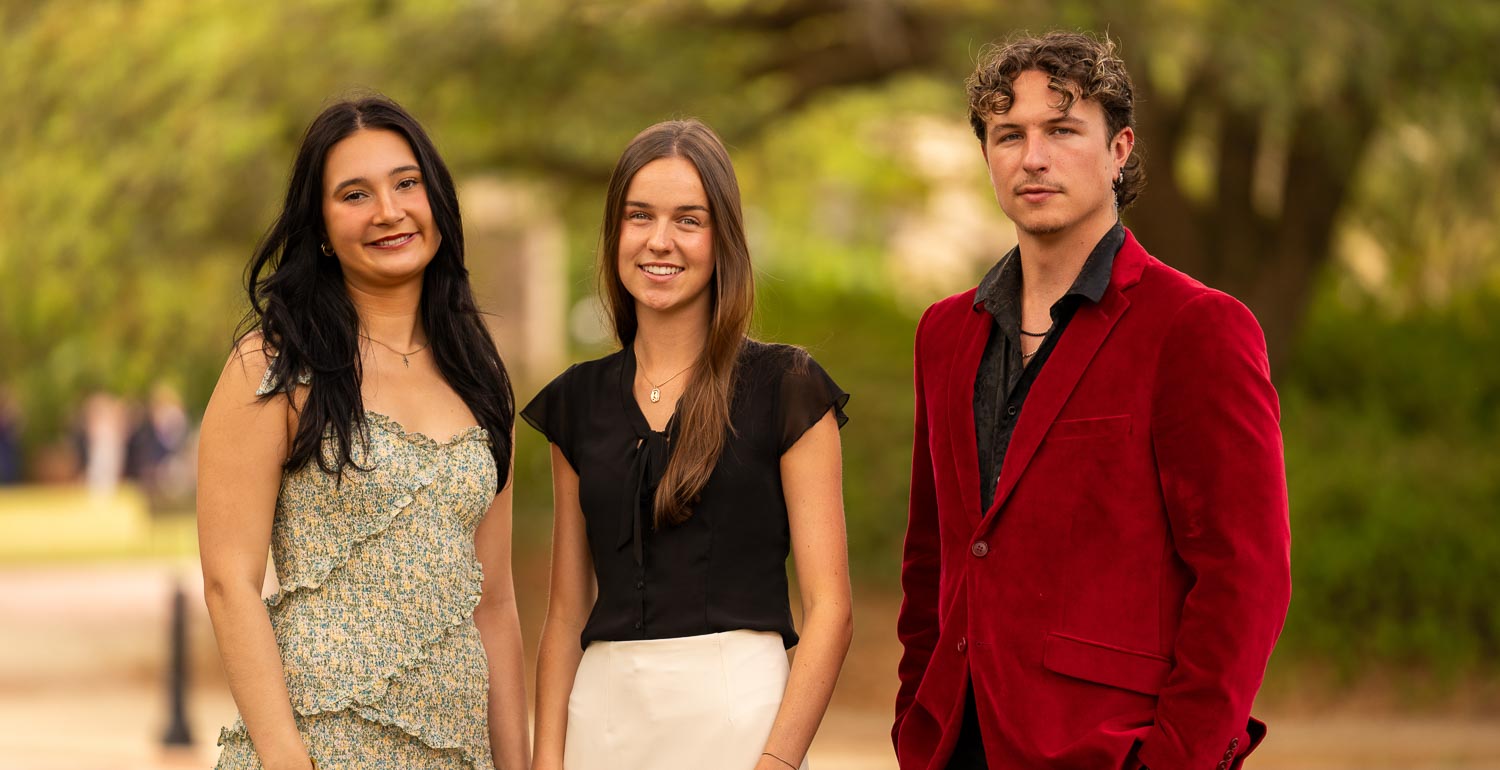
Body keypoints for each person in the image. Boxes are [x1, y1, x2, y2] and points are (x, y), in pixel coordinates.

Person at [894, 31, 1291, 770]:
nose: (1033, 157)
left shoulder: (1197, 327)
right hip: (954, 742)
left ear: (1119, 150)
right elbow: (933, 557)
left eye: (1062, 130)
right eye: (1008, 134)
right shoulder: (944, 333)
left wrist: (1175, 759)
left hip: (1112, 749)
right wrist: (915, 716)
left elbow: (1245, 576)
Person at [198, 95, 530, 770]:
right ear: (320, 226)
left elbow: (494, 602)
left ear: (436, 199)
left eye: (406, 183)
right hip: (320, 746)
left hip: (456, 753)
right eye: (354, 194)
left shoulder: (480, 374)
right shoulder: (273, 365)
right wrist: (287, 759)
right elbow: (230, 582)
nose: (388, 211)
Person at [523, 119, 852, 770]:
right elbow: (565, 615)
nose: (659, 241)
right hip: (603, 725)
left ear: (722, 237)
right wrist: (547, 761)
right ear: (615, 232)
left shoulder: (786, 387)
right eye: (639, 216)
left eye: (688, 220)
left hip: (740, 723)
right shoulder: (576, 402)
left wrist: (777, 763)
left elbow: (831, 609)